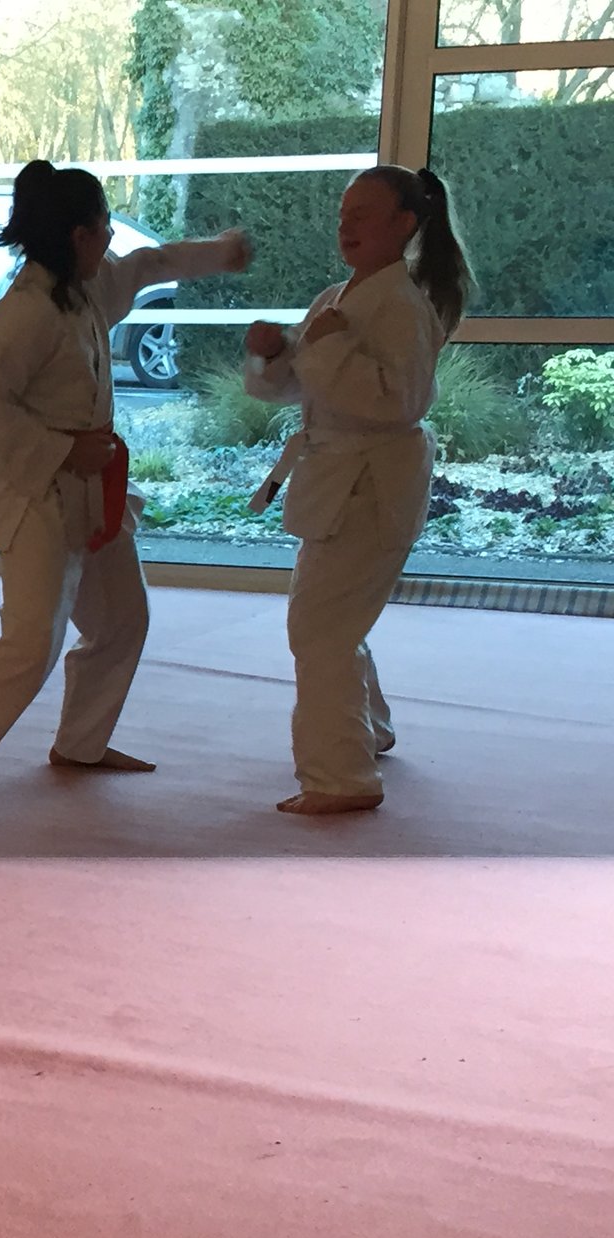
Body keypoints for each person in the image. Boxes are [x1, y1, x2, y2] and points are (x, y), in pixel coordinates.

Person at [0, 162, 252, 821]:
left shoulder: (87, 290)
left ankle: (81, 743)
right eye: (105, 227)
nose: (111, 240)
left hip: (93, 491)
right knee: (30, 646)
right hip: (38, 499)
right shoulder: (22, 315)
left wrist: (219, 254)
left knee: (122, 620)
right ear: (79, 235)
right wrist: (63, 449)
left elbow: (149, 264)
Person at [244, 166, 468, 816]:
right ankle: (367, 727)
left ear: (405, 224)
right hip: (340, 478)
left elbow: (399, 401)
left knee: (321, 628)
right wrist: (271, 355)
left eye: (363, 213)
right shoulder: (337, 296)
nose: (347, 225)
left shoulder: (405, 304)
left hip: (373, 484)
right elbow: (298, 384)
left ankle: (341, 777)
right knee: (334, 619)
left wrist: (329, 346)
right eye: (344, 213)